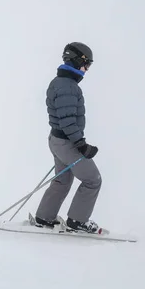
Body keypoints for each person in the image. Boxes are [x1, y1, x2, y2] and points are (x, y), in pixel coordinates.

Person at [34, 42, 101, 233]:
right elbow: (67, 120)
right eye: (86, 64)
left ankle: (44, 217)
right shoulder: (68, 87)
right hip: (67, 142)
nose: (87, 69)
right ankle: (77, 221)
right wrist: (81, 144)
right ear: (76, 60)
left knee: (62, 180)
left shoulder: (59, 82)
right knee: (93, 180)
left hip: (56, 141)